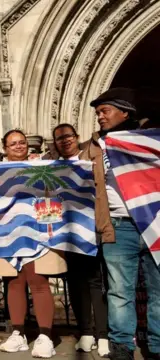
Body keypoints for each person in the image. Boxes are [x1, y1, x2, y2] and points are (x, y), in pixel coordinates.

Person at [87, 88, 160, 360]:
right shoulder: (96, 145)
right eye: (97, 113)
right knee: (120, 292)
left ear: (124, 112)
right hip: (118, 226)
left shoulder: (150, 141)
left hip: (155, 224)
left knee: (159, 291)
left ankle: (157, 347)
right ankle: (122, 348)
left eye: (105, 111)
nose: (99, 117)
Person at [0, 129, 66, 358]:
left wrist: (48, 231)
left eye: (22, 142)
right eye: (13, 143)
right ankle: (18, 333)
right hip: (9, 232)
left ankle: (45, 336)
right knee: (14, 282)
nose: (18, 146)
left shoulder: (42, 166)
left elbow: (54, 191)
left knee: (38, 281)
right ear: (5, 149)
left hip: (39, 230)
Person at [51, 123, 109, 357]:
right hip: (67, 232)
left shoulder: (90, 158)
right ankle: (85, 331)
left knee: (96, 282)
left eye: (69, 136)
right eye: (59, 138)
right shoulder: (51, 165)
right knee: (75, 282)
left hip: (90, 228)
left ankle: (103, 334)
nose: (65, 141)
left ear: (77, 137)